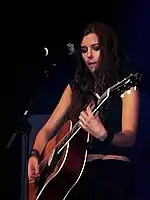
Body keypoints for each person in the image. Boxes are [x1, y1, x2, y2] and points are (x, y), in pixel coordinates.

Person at [28, 21, 140, 200]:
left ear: (108, 49)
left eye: (95, 48)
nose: (89, 55)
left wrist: (105, 136)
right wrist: (34, 155)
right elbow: (48, 129)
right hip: (74, 175)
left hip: (111, 171)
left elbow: (130, 137)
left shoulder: (126, 87)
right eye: (84, 50)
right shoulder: (75, 89)